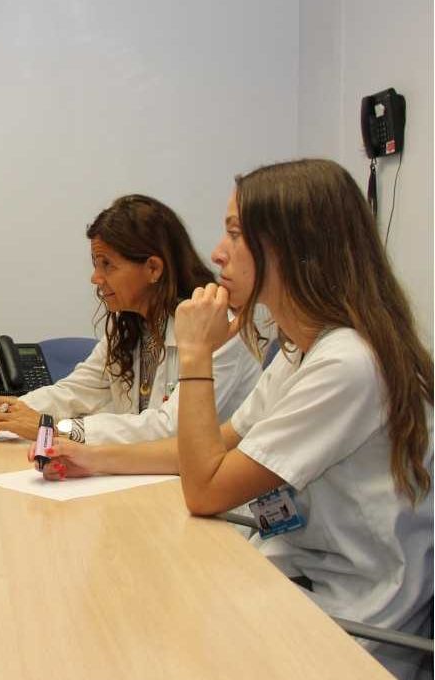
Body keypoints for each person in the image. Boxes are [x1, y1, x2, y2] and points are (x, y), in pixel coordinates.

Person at [47, 160, 432, 678]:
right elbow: (215, 446)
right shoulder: (301, 351)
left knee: (126, 636)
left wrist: (196, 355)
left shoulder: (347, 363)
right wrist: (92, 459)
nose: (216, 253)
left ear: (291, 247)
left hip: (349, 628)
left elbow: (206, 486)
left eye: (234, 234)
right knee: (121, 606)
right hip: (294, 580)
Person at [0, 194, 261, 444]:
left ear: (153, 269)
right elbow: (76, 390)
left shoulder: (218, 328)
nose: (96, 278)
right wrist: (8, 408)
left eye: (107, 265)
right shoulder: (132, 326)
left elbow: (172, 429)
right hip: (145, 479)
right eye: (95, 264)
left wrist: (54, 429)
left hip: (214, 499)